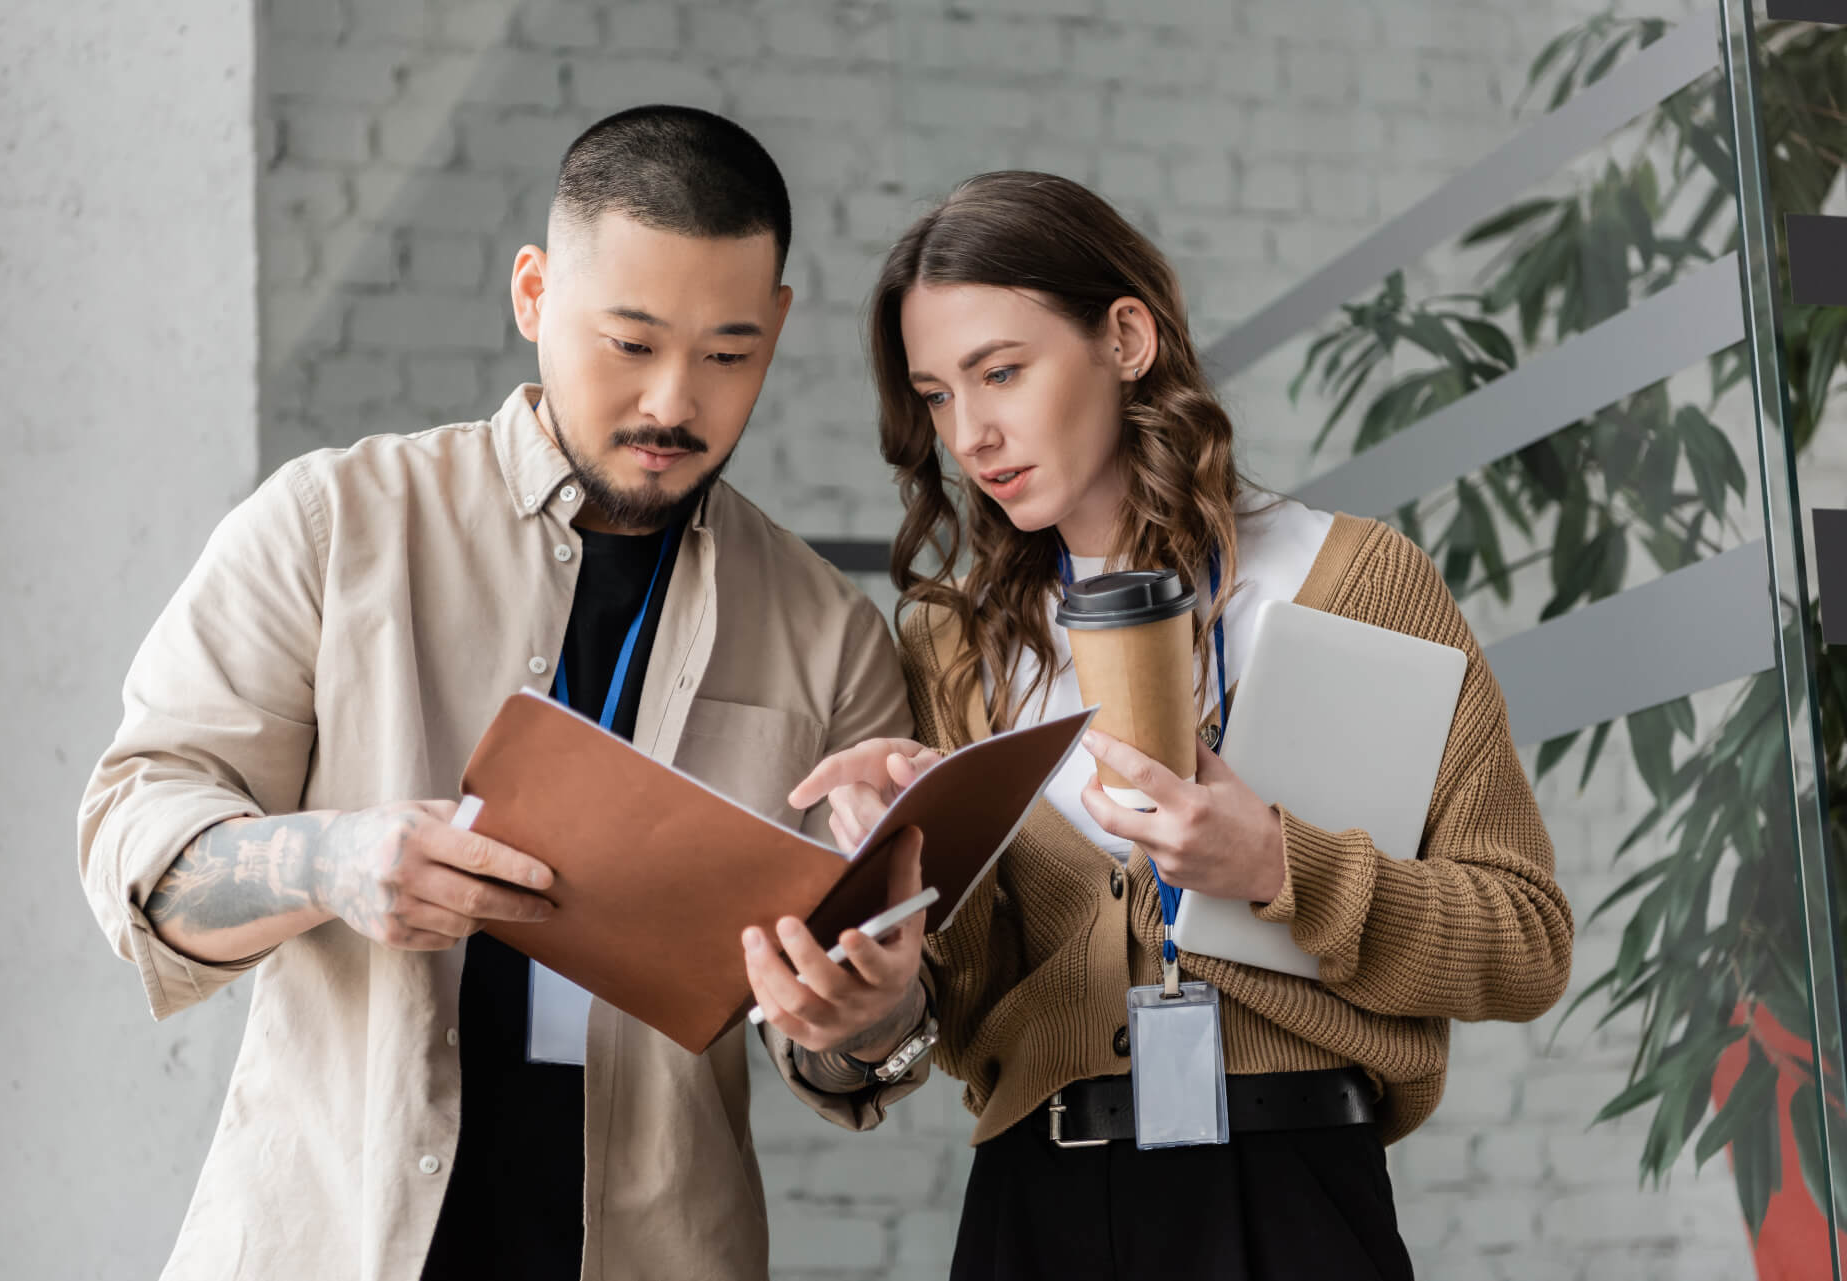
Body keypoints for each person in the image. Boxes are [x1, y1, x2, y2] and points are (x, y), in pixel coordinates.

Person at [77, 104, 914, 1281]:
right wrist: (332, 861)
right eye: (629, 343)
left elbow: (854, 1051)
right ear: (532, 295)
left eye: (730, 354)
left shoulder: (830, 633)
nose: (675, 402)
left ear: (777, 327)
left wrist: (865, 1016)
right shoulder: (331, 526)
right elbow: (133, 842)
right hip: (334, 1244)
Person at [741, 170, 1575, 1279]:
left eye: (1002, 372)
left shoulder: (1355, 581)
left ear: (1126, 336)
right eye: (938, 395)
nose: (972, 434)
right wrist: (870, 996)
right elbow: (935, 1012)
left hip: (1296, 1204)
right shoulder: (953, 648)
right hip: (1036, 1216)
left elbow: (1524, 945)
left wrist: (1281, 865)